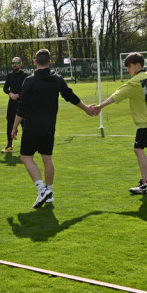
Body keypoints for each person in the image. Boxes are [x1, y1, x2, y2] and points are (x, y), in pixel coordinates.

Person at [12, 49, 95, 208]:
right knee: (47, 158)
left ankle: (42, 190)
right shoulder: (57, 79)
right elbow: (70, 96)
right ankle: (48, 194)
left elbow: (22, 108)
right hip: (49, 127)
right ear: (50, 62)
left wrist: (14, 127)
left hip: (32, 127)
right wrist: (86, 109)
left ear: (35, 62)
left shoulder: (29, 81)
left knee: (26, 157)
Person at [95, 52, 147, 195]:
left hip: (145, 122)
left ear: (138, 65)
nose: (128, 70)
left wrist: (100, 106)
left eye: (130, 67)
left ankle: (145, 183)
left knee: (138, 149)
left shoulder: (134, 82)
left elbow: (116, 96)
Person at [2, 56, 28, 153]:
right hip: (12, 104)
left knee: (24, 124)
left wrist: (19, 95)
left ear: (20, 64)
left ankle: (27, 145)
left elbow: (28, 89)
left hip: (22, 104)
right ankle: (9, 146)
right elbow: (5, 88)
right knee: (10, 124)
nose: (14, 65)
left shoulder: (25, 75)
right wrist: (10, 93)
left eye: (16, 63)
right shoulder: (9, 75)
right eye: (13, 63)